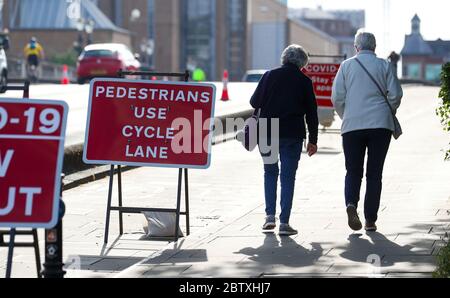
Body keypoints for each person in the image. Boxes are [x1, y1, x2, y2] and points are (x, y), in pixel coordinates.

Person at [332, 30, 403, 232]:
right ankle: (370, 219)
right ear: (375, 47)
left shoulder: (346, 66)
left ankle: (351, 204)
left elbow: (336, 97)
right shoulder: (385, 65)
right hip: (380, 126)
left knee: (353, 170)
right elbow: (396, 95)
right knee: (374, 173)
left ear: (356, 47)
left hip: (352, 126)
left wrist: (347, 115)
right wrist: (387, 110)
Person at [250, 44, 319, 236]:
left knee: (270, 172)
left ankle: (269, 217)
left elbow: (254, 102)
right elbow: (312, 113)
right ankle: (284, 223)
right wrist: (313, 139)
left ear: (284, 58)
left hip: (267, 131)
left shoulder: (269, 76)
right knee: (288, 178)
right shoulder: (304, 81)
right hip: (292, 133)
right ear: (302, 63)